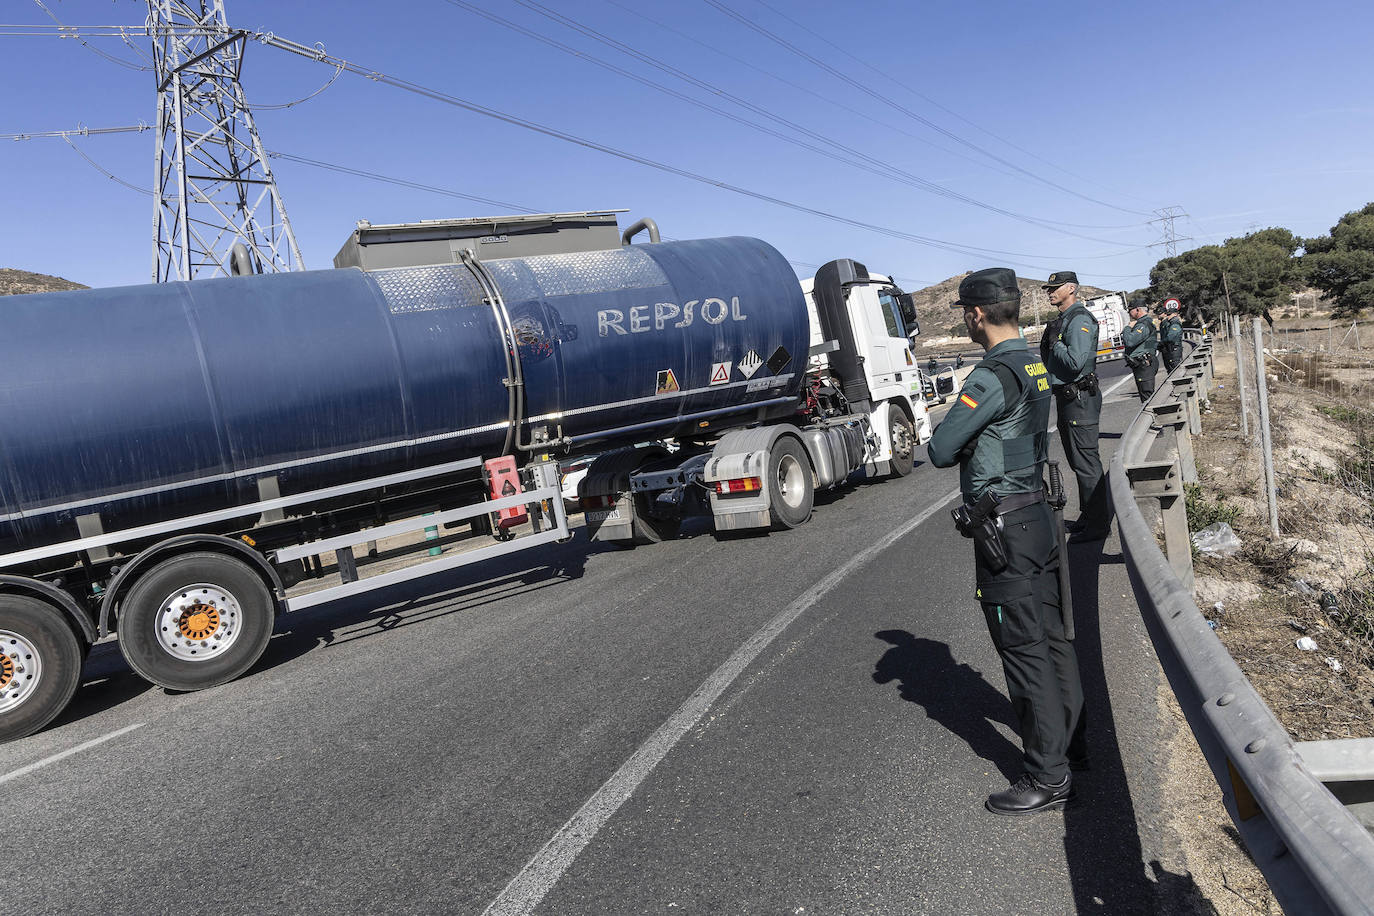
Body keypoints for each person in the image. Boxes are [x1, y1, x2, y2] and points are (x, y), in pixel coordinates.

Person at [928, 267, 1084, 816]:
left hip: (1005, 528)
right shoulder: (1035, 362)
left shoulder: (991, 375)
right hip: (1039, 515)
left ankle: (1048, 774)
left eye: (966, 315)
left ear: (976, 313)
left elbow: (942, 449)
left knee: (1024, 650)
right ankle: (1073, 745)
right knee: (1055, 637)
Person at [1040, 271, 1109, 541]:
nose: (1050, 292)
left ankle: (1098, 526)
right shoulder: (1064, 319)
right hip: (1068, 399)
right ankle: (1089, 516)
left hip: (1080, 400)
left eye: (1056, 287)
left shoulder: (1079, 319)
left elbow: (1075, 363)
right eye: (1049, 288)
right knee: (1078, 462)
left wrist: (1056, 342)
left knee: (1087, 463)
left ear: (1072, 288)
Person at [1121, 298, 1159, 402]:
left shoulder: (1143, 324)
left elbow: (1130, 341)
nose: (1129, 313)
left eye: (1130, 310)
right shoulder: (1147, 323)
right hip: (1146, 363)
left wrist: (1127, 328)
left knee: (1147, 398)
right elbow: (1151, 344)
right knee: (1147, 395)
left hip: (1144, 365)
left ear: (1138, 310)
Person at [1159, 302, 1184, 372]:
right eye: (1167, 314)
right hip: (1171, 349)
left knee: (1175, 370)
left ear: (1175, 314)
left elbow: (1171, 337)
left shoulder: (1175, 323)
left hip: (1174, 349)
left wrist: (1161, 343)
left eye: (1169, 314)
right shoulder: (1170, 323)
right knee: (1171, 369)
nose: (1167, 316)